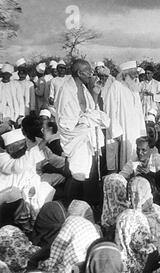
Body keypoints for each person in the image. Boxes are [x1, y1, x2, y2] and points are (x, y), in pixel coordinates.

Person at [54, 59, 110, 204]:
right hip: (75, 138)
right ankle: (70, 203)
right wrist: (84, 122)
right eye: (88, 71)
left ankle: (88, 204)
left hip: (86, 136)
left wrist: (96, 94)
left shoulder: (85, 89)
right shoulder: (66, 90)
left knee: (89, 172)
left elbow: (91, 110)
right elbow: (64, 121)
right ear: (79, 73)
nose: (92, 74)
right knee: (76, 173)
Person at [103, 60, 146, 172]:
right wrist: (116, 131)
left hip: (135, 131)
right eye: (133, 73)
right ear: (125, 74)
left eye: (136, 73)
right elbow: (110, 110)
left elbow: (139, 113)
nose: (136, 76)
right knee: (124, 159)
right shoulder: (116, 87)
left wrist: (142, 132)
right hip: (123, 130)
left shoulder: (134, 87)